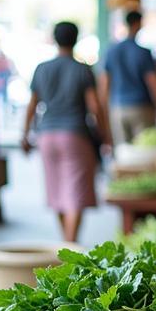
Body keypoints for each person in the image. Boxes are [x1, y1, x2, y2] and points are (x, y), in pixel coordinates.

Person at [21, 21, 111, 243]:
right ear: (76, 39)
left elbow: (32, 105)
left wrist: (24, 134)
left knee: (57, 192)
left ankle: (66, 244)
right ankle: (70, 246)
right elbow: (94, 106)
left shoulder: (41, 69)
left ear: (54, 38)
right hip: (74, 136)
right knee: (75, 194)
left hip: (46, 137)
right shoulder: (82, 69)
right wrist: (105, 135)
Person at [97, 10, 156, 145]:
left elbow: (105, 83)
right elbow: (153, 82)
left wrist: (104, 110)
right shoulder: (143, 52)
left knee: (123, 151)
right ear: (138, 24)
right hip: (142, 108)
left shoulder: (111, 51)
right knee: (144, 149)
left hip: (118, 108)